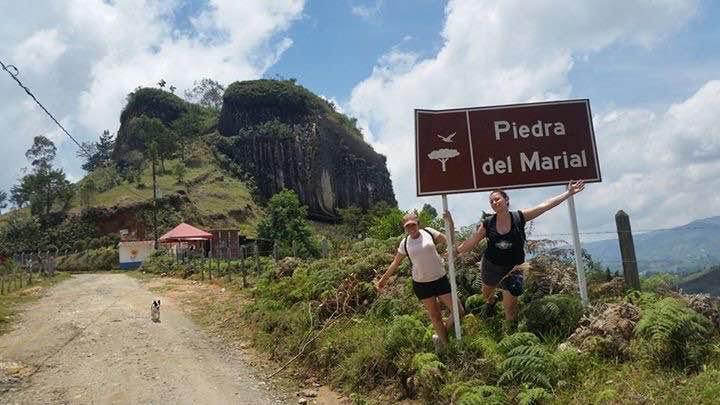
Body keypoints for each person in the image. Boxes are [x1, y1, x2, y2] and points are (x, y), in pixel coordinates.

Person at [445, 180, 586, 322]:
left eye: (497, 199)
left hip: (514, 267)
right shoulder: (488, 223)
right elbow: (472, 241)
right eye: (491, 201)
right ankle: (492, 300)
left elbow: (544, 206)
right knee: (486, 293)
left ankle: (508, 331)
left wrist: (568, 193)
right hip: (491, 266)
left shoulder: (519, 217)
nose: (494, 203)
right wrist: (455, 252)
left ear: (506, 200)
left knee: (510, 308)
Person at [375, 211, 464, 349]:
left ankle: (441, 336)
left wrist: (450, 222)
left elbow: (450, 240)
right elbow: (395, 263)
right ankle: (446, 347)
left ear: (418, 223)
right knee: (435, 317)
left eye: (413, 224)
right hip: (421, 284)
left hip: (440, 279)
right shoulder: (404, 243)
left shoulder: (429, 233)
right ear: (404, 228)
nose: (411, 228)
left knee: (459, 311)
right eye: (407, 226)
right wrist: (383, 280)